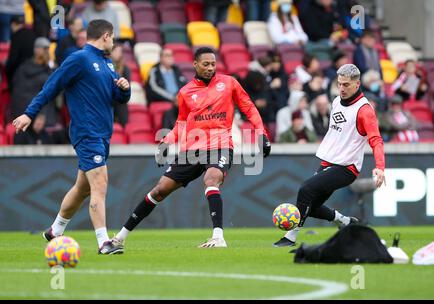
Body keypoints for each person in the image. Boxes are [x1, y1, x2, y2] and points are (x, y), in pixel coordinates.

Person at [113, 47, 271, 249]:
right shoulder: (186, 92)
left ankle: (218, 237)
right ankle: (120, 237)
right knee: (160, 190)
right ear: (195, 64)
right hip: (192, 149)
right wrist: (167, 142)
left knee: (211, 178)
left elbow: (248, 107)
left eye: (213, 64)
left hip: (220, 144)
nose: (210, 68)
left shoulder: (229, 83)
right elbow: (181, 123)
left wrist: (261, 134)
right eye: (206, 64)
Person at [12, 19, 131, 255]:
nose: (114, 42)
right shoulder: (79, 59)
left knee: (82, 188)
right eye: (113, 37)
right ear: (106, 36)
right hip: (87, 133)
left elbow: (116, 98)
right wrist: (29, 113)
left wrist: (124, 90)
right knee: (100, 184)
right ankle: (103, 242)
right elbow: (51, 86)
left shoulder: (107, 64)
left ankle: (55, 230)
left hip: (102, 134)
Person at [273, 64, 386, 247]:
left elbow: (376, 140)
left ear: (357, 84)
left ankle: (290, 237)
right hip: (328, 162)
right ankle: (345, 222)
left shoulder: (364, 110)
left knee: (305, 189)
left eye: (346, 85)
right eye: (339, 84)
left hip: (346, 167)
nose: (342, 88)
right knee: (311, 206)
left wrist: (380, 167)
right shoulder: (335, 102)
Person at [10, 37, 58, 127]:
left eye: (48, 50)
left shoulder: (49, 69)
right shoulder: (24, 68)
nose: (47, 53)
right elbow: (18, 93)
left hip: (37, 112)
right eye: (45, 49)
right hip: (30, 113)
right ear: (37, 50)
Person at [5, 15, 35, 86]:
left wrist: (7, 68)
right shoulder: (32, 33)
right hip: (33, 70)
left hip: (20, 72)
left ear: (13, 24)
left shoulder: (16, 36)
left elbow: (13, 59)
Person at [111, 42, 130, 127]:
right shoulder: (105, 66)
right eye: (115, 51)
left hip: (119, 99)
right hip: (109, 97)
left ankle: (124, 127)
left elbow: (126, 86)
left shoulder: (125, 69)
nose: (118, 54)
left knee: (122, 104)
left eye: (120, 51)